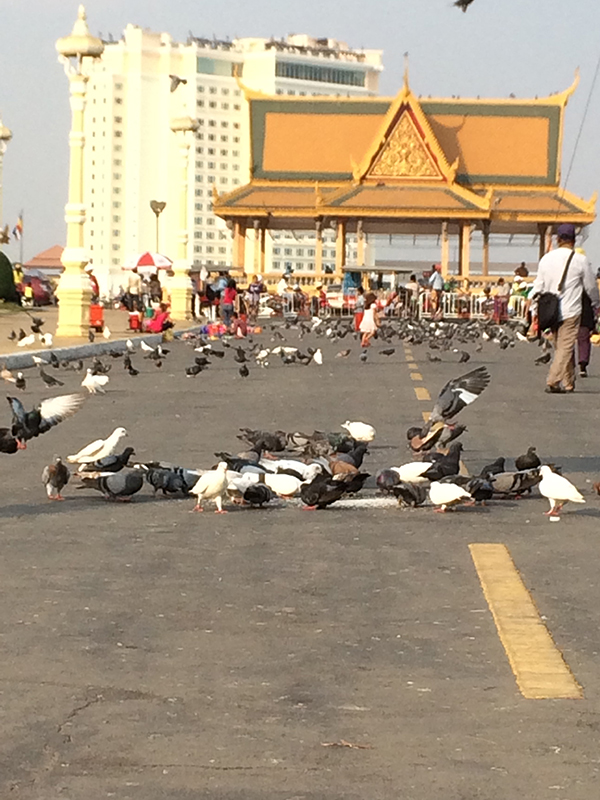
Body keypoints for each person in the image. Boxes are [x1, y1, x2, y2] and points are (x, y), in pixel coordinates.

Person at [532, 223, 599, 393]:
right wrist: (595, 303)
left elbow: (538, 287)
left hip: (551, 311)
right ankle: (553, 381)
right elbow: (590, 286)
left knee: (562, 347)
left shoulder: (546, 259)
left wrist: (533, 310)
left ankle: (569, 382)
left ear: (557, 239)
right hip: (571, 309)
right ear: (574, 240)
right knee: (565, 347)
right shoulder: (580, 260)